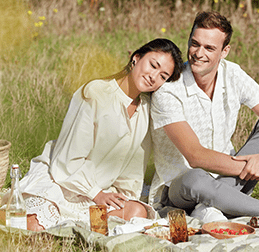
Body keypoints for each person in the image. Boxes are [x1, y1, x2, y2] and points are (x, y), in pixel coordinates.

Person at [148, 11, 259, 222]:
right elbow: (196, 157)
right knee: (196, 179)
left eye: (209, 48)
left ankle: (213, 208)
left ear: (225, 51)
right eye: (195, 44)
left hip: (229, 179)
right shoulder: (168, 90)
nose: (198, 53)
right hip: (181, 188)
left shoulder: (233, 74)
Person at [19, 38, 184, 231]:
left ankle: (78, 226)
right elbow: (67, 159)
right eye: (153, 65)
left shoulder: (146, 109)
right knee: (36, 225)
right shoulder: (95, 92)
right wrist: (95, 193)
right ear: (136, 58)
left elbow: (132, 168)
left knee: (136, 212)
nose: (153, 76)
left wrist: (122, 198)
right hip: (62, 181)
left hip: (101, 192)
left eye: (163, 76)